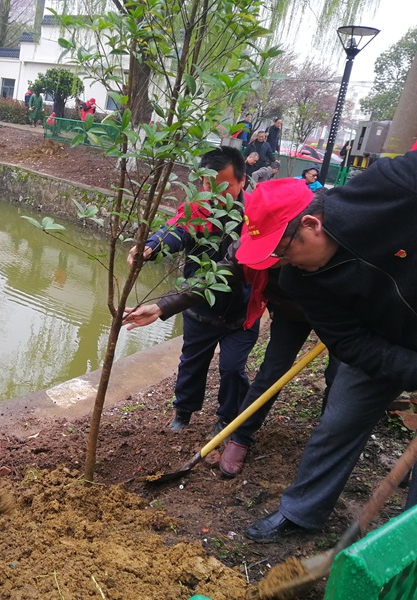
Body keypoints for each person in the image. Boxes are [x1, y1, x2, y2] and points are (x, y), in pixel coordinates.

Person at [234, 150, 417, 542]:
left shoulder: (389, 187)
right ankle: (300, 513)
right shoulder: (301, 281)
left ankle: (409, 537)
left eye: (282, 252)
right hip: (382, 341)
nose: (280, 264)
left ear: (311, 224)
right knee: (338, 423)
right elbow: (349, 343)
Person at [123, 179, 338, 477]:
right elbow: (216, 272)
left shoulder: (354, 238)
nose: (277, 260)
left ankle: (328, 434)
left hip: (341, 312)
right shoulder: (238, 230)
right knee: (271, 371)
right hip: (286, 313)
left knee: (339, 376)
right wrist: (162, 306)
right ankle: (240, 436)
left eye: (280, 254)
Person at [127, 146, 259, 434]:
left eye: (224, 187)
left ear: (242, 182)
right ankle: (183, 411)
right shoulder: (197, 212)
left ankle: (227, 418)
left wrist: (164, 305)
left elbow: (231, 267)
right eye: (207, 185)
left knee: (233, 368)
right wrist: (152, 246)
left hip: (242, 313)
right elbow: (177, 229)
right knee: (192, 363)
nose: (214, 194)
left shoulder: (254, 219)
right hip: (199, 308)